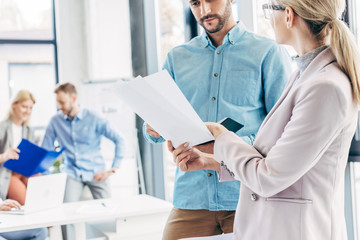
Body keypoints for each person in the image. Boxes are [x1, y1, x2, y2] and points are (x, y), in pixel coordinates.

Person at [172, 0, 360, 239]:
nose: (267, 18)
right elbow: (274, 158)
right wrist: (211, 161)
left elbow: (268, 176)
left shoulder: (325, 87)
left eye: (270, 9)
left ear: (289, 16)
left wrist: (222, 137)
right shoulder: (303, 75)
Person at [144, 0, 291, 239]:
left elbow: (282, 130)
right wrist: (154, 128)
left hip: (248, 196)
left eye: (210, 0)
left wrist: (225, 146)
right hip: (191, 198)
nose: (204, 11)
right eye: (195, 3)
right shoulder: (176, 58)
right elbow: (151, 129)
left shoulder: (268, 52)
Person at [41, 83, 126, 202]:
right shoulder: (55, 122)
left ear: (73, 98)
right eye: (58, 103)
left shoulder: (94, 117)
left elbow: (120, 139)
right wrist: (46, 177)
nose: (59, 107)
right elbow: (45, 151)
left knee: (108, 210)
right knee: (66, 213)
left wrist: (113, 169)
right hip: (72, 173)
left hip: (97, 172)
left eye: (62, 102)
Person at [0, 90, 36, 205]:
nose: (28, 111)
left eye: (30, 108)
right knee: (27, 204)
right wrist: (5, 156)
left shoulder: (29, 130)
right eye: (24, 107)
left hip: (25, 171)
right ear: (14, 105)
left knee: (42, 195)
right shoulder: (2, 128)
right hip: (8, 173)